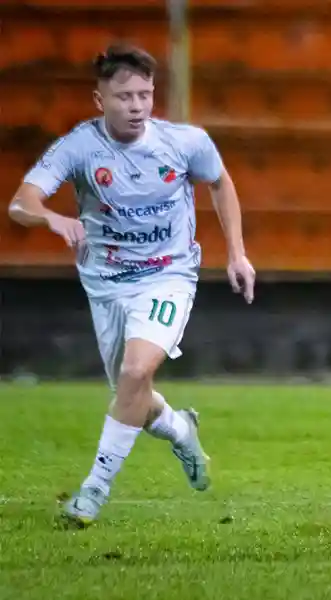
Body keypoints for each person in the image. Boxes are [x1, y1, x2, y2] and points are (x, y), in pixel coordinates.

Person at [7, 44, 255, 528]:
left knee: (136, 371)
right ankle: (181, 429)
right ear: (99, 100)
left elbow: (220, 182)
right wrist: (51, 217)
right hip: (106, 287)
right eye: (124, 96)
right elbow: (21, 201)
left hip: (168, 276)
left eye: (145, 94)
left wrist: (236, 252)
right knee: (132, 392)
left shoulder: (184, 142)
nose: (137, 105)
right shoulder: (80, 147)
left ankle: (93, 490)